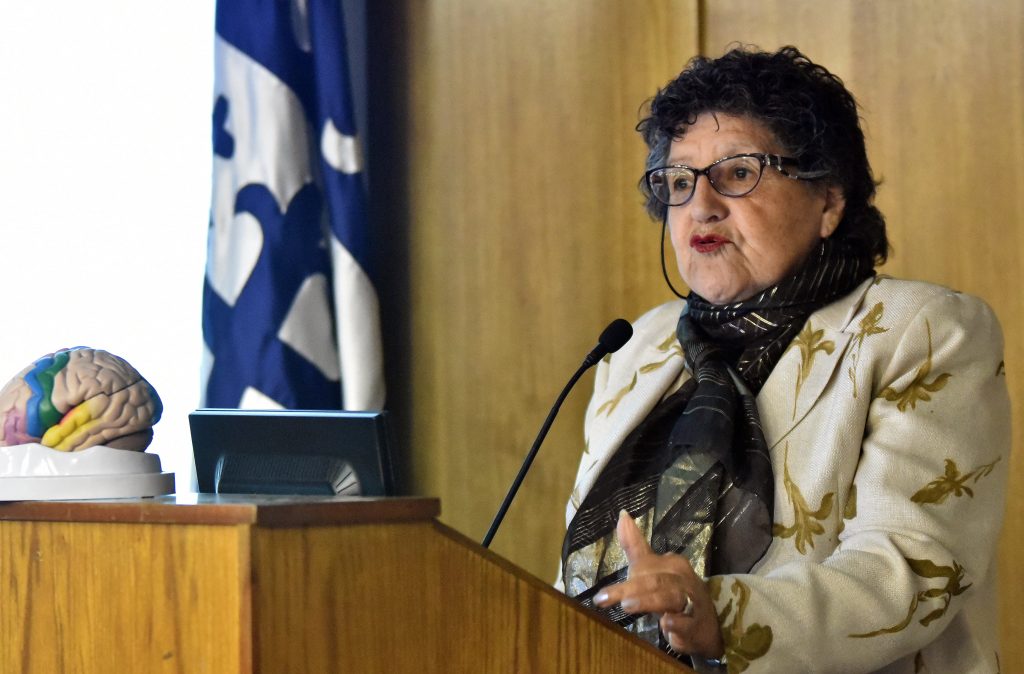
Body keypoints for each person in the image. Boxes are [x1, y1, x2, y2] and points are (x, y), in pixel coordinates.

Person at [557, 46, 1010, 673]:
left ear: (829, 199)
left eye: (739, 172)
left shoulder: (919, 331)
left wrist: (720, 619)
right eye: (680, 182)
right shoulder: (637, 346)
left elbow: (910, 569)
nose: (701, 205)